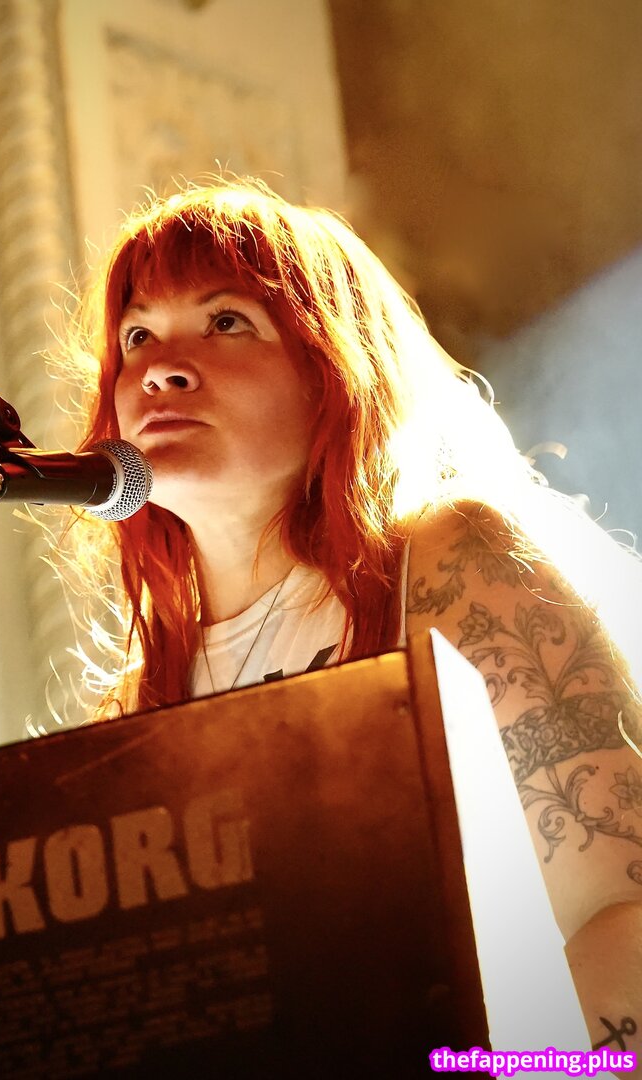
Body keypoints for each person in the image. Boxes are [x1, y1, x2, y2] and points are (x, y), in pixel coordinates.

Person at [52, 178, 642, 1072]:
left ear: (331, 369)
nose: (161, 368)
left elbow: (620, 908)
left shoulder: (447, 559)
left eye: (226, 321)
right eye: (137, 336)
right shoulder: (144, 701)